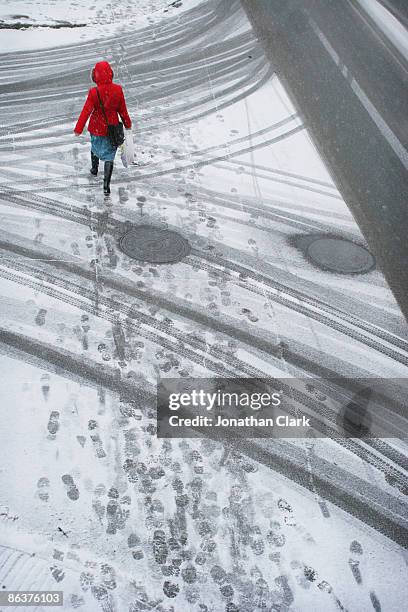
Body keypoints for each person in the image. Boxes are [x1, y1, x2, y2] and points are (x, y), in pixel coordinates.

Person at [74, 61, 132, 195]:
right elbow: (123, 110)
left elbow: (86, 111)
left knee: (95, 148)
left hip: (96, 129)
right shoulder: (118, 89)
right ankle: (106, 185)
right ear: (110, 73)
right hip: (112, 129)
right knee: (109, 156)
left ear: (95, 76)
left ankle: (94, 169)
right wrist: (127, 124)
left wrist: (78, 128)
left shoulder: (93, 92)